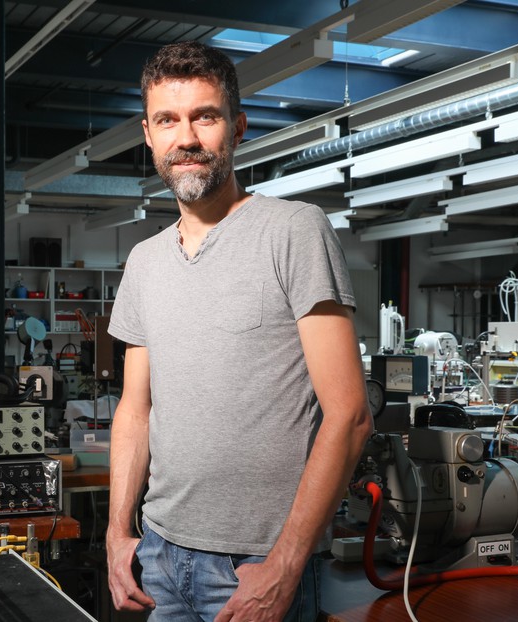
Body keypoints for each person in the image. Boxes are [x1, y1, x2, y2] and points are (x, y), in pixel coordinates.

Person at [105, 41, 373, 622]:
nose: (188, 139)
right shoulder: (145, 262)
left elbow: (349, 413)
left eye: (206, 116)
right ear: (147, 134)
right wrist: (116, 532)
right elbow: (135, 408)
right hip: (160, 552)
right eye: (167, 121)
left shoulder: (293, 231)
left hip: (255, 564)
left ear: (238, 127)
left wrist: (285, 563)